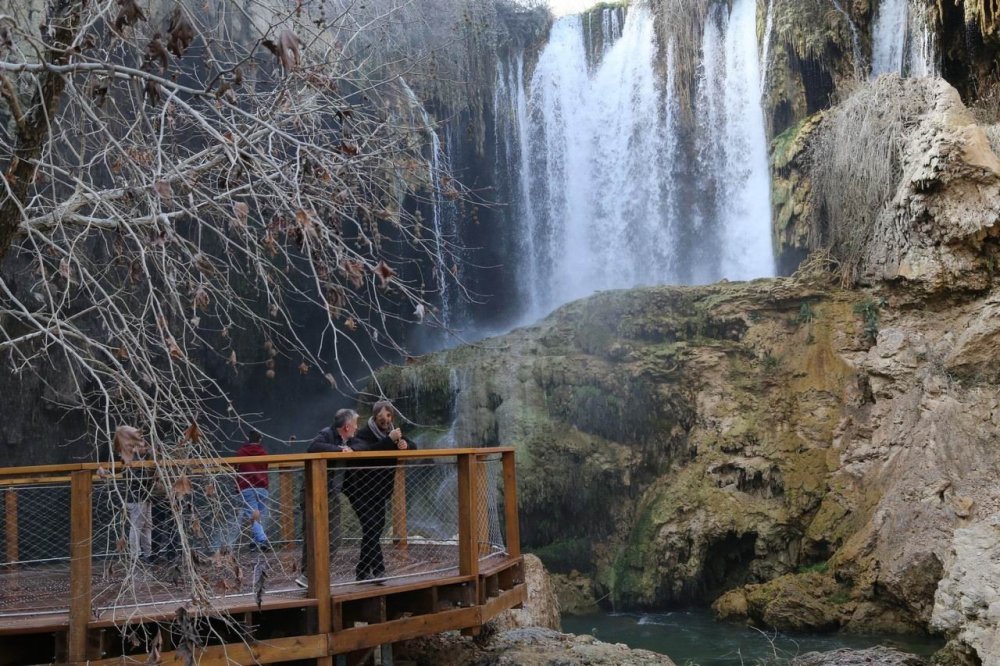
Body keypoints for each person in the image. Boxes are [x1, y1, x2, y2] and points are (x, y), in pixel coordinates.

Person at [345, 400, 415, 581]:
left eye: (388, 416)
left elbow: (413, 445)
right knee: (371, 527)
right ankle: (379, 570)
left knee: (375, 529)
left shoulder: (394, 432)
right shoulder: (362, 434)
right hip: (358, 489)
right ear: (374, 417)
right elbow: (365, 455)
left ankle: (361, 571)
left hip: (380, 490)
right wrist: (389, 440)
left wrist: (405, 445)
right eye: (381, 418)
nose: (385, 421)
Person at [296, 408, 358, 588]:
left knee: (334, 537)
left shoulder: (351, 440)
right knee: (311, 534)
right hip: (312, 493)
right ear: (347, 427)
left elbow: (363, 445)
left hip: (330, 494)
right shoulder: (327, 434)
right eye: (355, 424)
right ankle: (308, 576)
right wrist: (340, 450)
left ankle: (311, 575)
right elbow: (313, 447)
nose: (357, 428)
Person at [114, 425, 154, 563]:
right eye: (144, 446)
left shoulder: (144, 459)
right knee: (136, 526)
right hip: (136, 497)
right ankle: (135, 555)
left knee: (147, 526)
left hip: (146, 497)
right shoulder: (131, 458)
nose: (146, 448)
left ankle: (147, 553)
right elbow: (135, 479)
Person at [234, 430, 270, 549]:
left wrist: (236, 484)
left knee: (253, 515)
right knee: (258, 515)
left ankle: (259, 540)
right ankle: (258, 541)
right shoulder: (264, 453)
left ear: (248, 439)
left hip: (246, 487)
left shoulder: (240, 453)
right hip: (262, 487)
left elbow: (237, 469)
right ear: (260, 440)